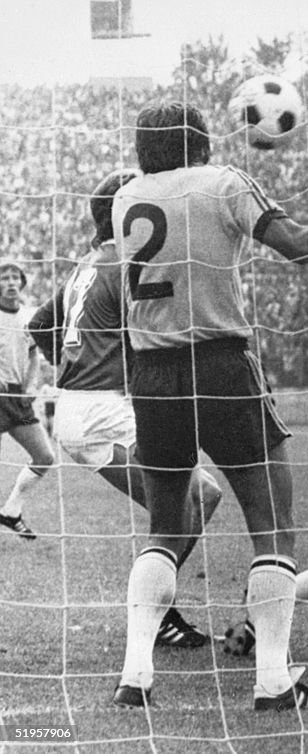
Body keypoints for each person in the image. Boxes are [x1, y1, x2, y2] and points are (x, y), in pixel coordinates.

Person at [109, 101, 308, 711]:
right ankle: (274, 682)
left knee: (163, 526)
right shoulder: (224, 181)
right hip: (220, 363)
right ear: (199, 143)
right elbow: (301, 247)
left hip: (151, 373)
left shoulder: (127, 199)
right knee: (273, 526)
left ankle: (135, 675)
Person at [27, 168, 224, 649]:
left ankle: (159, 610)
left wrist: (71, 367)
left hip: (87, 408)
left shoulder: (88, 264)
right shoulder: (126, 267)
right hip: (99, 413)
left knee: (202, 495)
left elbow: (39, 325)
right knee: (182, 504)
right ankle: (155, 616)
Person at [0, 261, 56, 540]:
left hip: (18, 397)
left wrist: (31, 384)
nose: (11, 282)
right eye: (4, 277)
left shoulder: (28, 317)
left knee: (45, 457)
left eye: (15, 277)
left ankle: (11, 511)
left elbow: (34, 354)